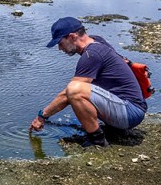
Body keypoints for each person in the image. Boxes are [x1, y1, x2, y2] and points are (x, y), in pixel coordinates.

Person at [29, 16, 147, 147]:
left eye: (60, 43)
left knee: (74, 90)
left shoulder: (92, 54)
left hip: (129, 112)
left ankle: (97, 140)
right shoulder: (97, 41)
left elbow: (68, 94)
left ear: (72, 36)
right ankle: (111, 128)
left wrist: (42, 116)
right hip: (130, 107)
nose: (60, 48)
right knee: (77, 89)